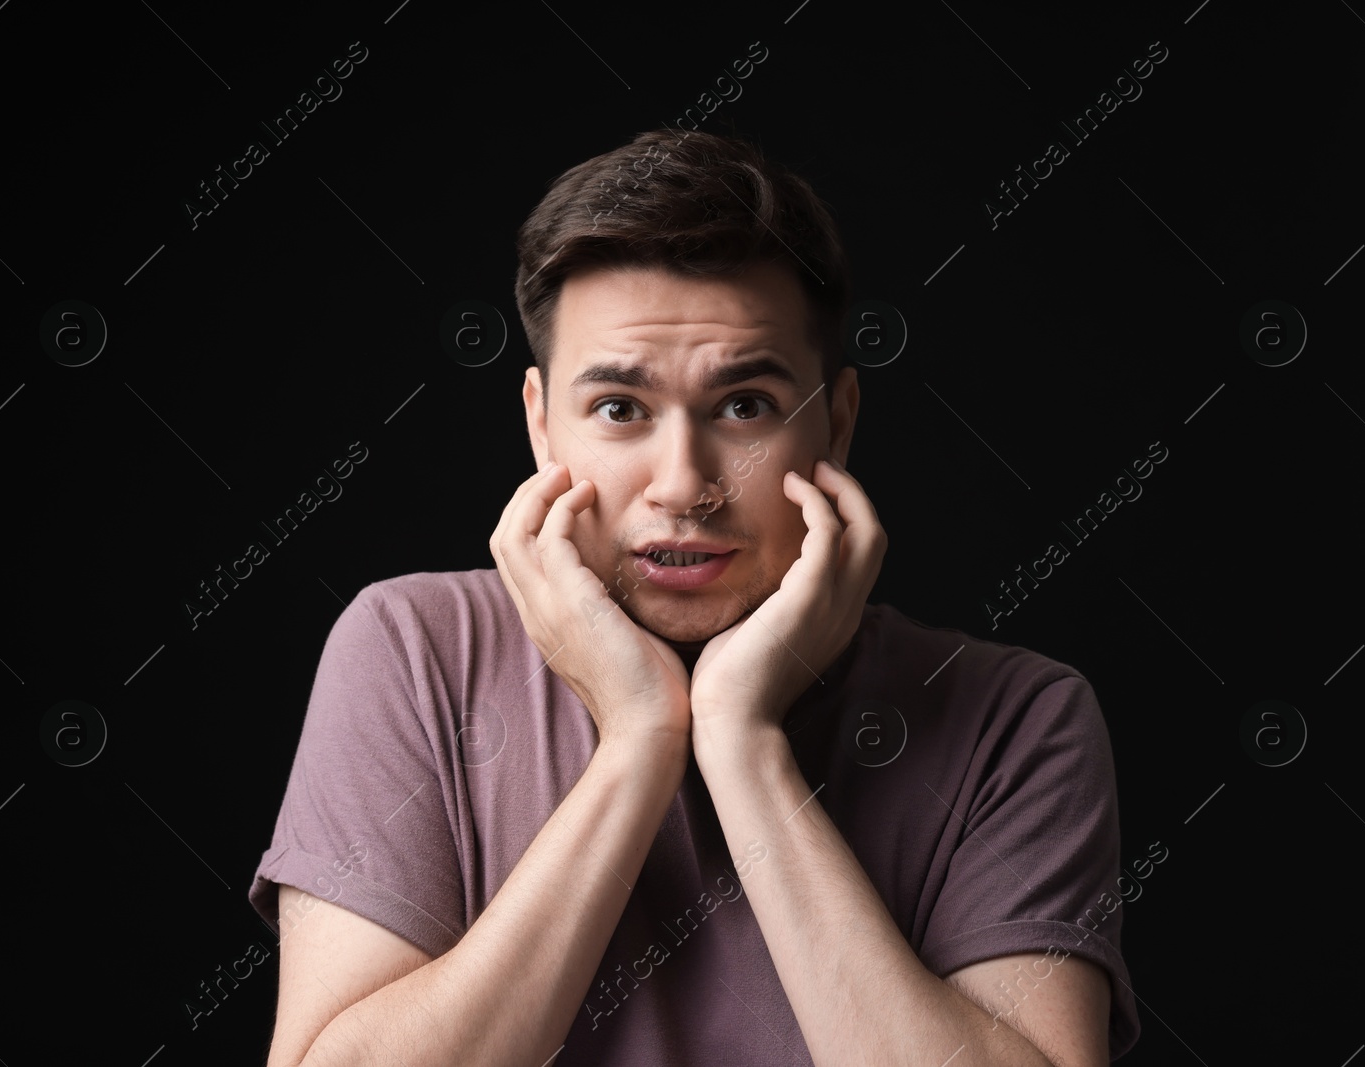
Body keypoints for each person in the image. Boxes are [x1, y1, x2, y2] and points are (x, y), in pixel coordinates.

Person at [249, 129, 1140, 1066]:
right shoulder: (414, 651)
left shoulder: (1016, 717)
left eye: (744, 405)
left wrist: (742, 742)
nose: (682, 484)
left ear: (834, 427)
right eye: (620, 409)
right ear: (541, 427)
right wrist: (639, 740)